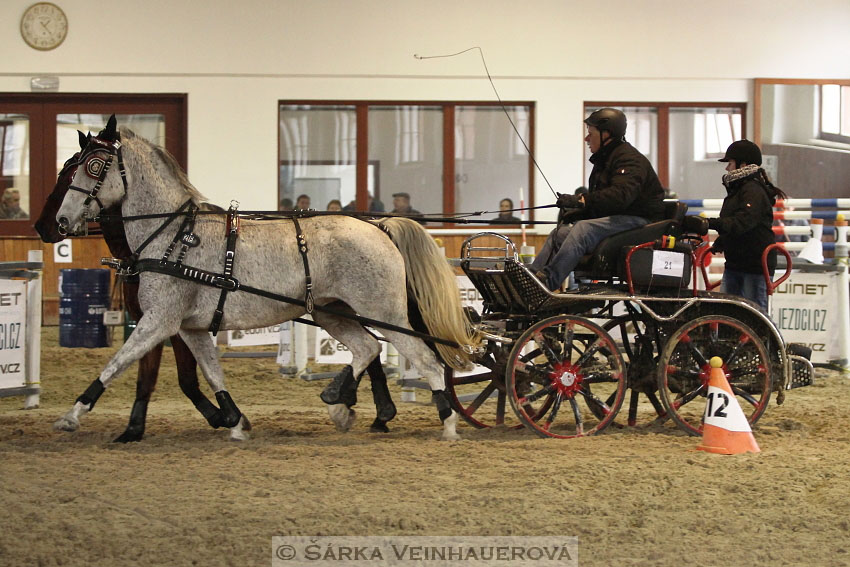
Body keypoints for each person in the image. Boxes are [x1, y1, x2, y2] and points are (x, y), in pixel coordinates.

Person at [529, 108, 665, 291]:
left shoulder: (630, 160)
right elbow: (604, 203)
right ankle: (530, 279)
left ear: (606, 134)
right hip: (621, 221)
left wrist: (581, 201)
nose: (586, 139)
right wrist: (581, 211)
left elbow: (620, 197)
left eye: (590, 134)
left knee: (583, 229)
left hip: (641, 224)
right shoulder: (606, 159)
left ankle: (545, 284)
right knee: (559, 234)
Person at [706, 139, 786, 312]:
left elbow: (742, 222)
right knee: (732, 312)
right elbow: (739, 223)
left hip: (753, 264)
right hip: (739, 262)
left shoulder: (752, 191)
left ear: (743, 164)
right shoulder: (742, 189)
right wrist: (722, 242)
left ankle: (758, 339)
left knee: (752, 314)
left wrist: (709, 223)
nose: (727, 168)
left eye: (730, 163)